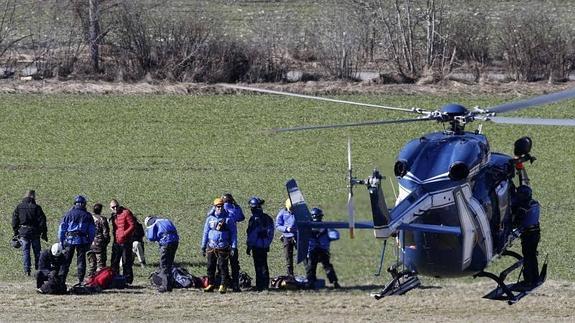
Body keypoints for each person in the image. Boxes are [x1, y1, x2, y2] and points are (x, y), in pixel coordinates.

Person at [201, 197, 237, 294]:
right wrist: (203, 246)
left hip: (223, 246)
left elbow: (234, 233)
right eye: (217, 207)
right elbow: (205, 232)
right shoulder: (210, 219)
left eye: (221, 206)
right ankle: (211, 284)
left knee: (223, 266)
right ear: (214, 207)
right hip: (211, 246)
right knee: (210, 266)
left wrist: (234, 246)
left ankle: (223, 285)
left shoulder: (228, 219)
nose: (219, 208)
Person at [57, 195, 96, 284]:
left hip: (69, 240)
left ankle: (61, 280)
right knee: (81, 261)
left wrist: (61, 241)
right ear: (84, 204)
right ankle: (80, 280)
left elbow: (62, 229)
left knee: (66, 261)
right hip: (82, 241)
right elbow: (92, 231)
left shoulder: (68, 214)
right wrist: (89, 241)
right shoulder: (88, 216)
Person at [12, 190, 48, 276]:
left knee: (26, 251)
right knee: (37, 251)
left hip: (23, 232)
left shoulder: (19, 207)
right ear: (32, 196)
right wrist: (44, 233)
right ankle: (39, 269)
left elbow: (14, 221)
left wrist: (16, 231)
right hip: (35, 232)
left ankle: (27, 270)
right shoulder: (37, 207)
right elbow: (42, 221)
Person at [511, 185, 541, 289]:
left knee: (528, 257)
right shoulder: (535, 203)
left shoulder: (523, 208)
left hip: (528, 235)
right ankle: (535, 278)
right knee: (532, 256)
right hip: (536, 233)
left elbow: (516, 223)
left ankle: (528, 281)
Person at [304, 207, 340, 289]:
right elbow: (335, 236)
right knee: (314, 267)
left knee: (317, 266)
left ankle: (312, 282)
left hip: (321, 250)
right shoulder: (310, 227)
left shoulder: (324, 227)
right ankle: (312, 282)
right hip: (316, 250)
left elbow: (335, 235)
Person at [246, 197, 274, 291]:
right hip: (264, 246)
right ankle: (264, 285)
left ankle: (260, 286)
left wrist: (249, 245)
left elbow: (251, 235)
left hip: (257, 246)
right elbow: (270, 233)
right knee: (263, 265)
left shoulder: (253, 220)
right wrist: (266, 242)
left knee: (259, 266)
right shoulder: (267, 218)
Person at [144, 216, 179, 293]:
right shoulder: (165, 220)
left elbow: (151, 237)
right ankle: (169, 285)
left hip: (166, 242)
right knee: (169, 264)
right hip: (175, 241)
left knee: (164, 265)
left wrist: (148, 231)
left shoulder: (151, 223)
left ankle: (165, 286)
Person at [109, 199, 136, 285]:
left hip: (126, 242)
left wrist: (124, 234)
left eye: (116, 206)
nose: (115, 208)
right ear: (110, 208)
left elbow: (132, 225)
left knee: (126, 262)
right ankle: (115, 278)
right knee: (114, 261)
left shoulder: (126, 212)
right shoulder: (113, 215)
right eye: (113, 207)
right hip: (116, 242)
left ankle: (127, 280)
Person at [86, 203, 110, 278]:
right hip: (99, 244)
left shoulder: (88, 218)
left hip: (89, 243)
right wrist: (106, 242)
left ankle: (90, 279)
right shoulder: (102, 219)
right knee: (101, 265)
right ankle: (100, 280)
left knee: (91, 264)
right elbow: (105, 233)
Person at [275, 198, 297, 277]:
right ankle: (290, 275)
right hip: (286, 237)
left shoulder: (299, 212)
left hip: (297, 236)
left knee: (304, 256)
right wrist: (286, 229)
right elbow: (277, 225)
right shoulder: (282, 213)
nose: (292, 211)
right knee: (288, 257)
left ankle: (309, 276)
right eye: (290, 209)